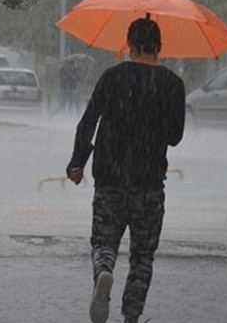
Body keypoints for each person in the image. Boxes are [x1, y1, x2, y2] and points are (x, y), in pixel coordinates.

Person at [66, 17, 185, 323]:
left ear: (129, 44)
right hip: (149, 186)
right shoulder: (173, 85)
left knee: (103, 243)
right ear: (159, 46)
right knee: (142, 258)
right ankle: (131, 316)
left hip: (110, 181)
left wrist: (77, 162)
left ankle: (104, 269)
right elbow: (175, 136)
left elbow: (88, 122)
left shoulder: (112, 77)